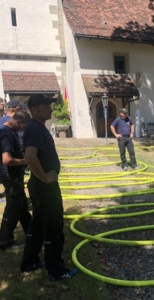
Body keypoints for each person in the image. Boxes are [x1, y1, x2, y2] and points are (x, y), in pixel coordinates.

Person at [20, 94, 78, 281]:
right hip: (44, 187)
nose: (51, 109)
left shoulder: (36, 127)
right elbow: (30, 157)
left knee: (37, 225)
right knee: (53, 226)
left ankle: (30, 262)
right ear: (34, 110)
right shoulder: (36, 129)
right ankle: (57, 270)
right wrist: (44, 177)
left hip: (39, 185)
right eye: (46, 107)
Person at [0, 111, 32, 250]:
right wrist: (25, 160)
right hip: (10, 176)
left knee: (22, 205)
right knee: (13, 207)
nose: (22, 130)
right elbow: (7, 160)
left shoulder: (9, 131)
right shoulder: (6, 133)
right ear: (18, 121)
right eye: (23, 127)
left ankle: (32, 234)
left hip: (15, 176)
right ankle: (5, 241)